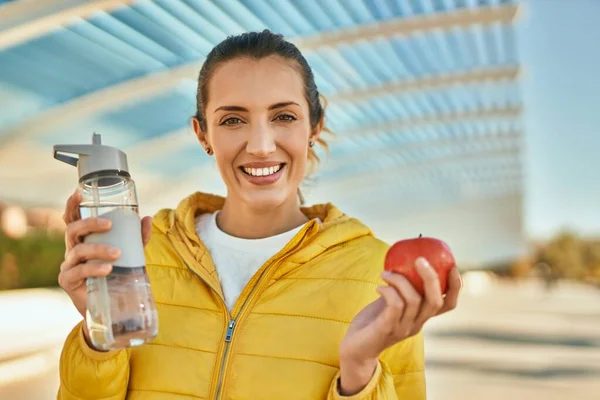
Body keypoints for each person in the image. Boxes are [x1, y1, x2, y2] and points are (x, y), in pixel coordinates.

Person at [57, 30, 461, 400]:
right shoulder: (141, 256)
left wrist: (358, 373)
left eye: (283, 117)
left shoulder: (379, 275)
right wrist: (100, 333)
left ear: (314, 126)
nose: (262, 145)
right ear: (202, 135)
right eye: (233, 120)